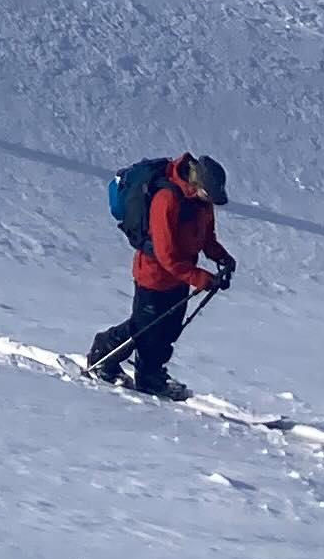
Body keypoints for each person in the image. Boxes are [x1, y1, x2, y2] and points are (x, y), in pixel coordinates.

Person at [89, 153, 235, 397]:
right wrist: (200, 277)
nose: (210, 201)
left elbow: (207, 239)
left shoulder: (202, 202)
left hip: (181, 277)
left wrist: (222, 258)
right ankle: (103, 354)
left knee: (167, 330)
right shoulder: (167, 199)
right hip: (154, 276)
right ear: (198, 184)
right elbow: (165, 254)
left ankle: (151, 375)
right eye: (209, 195)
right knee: (144, 329)